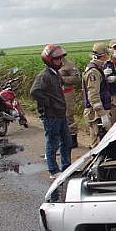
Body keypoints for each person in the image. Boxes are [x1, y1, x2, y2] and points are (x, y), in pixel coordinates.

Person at [30, 44, 72, 179]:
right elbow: (35, 91)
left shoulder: (56, 74)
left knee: (67, 141)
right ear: (49, 60)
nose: (60, 61)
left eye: (60, 59)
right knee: (52, 143)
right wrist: (50, 104)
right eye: (57, 59)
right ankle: (53, 170)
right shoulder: (44, 76)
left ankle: (66, 166)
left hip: (60, 114)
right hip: (51, 116)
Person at [82, 43, 112, 148]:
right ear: (103, 56)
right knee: (98, 144)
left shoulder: (96, 70)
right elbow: (93, 96)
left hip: (97, 112)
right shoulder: (93, 73)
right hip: (96, 113)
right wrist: (103, 114)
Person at [59, 57, 81, 148]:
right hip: (56, 94)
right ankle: (63, 138)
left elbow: (76, 79)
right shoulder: (51, 65)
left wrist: (61, 79)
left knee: (68, 116)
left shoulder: (68, 65)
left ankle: (73, 140)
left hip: (67, 93)